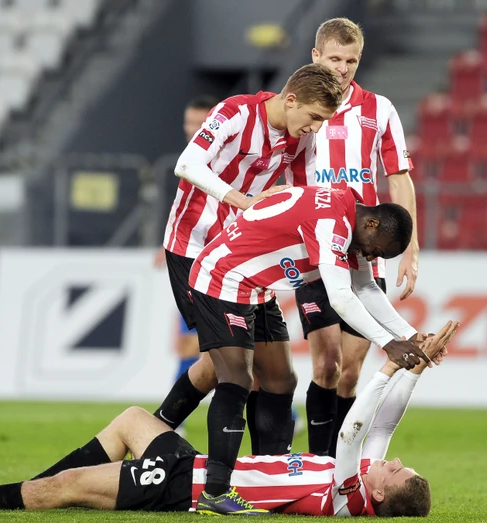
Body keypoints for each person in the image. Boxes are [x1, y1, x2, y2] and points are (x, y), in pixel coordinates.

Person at [0, 321, 458, 516]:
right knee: (134, 419)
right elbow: (384, 426)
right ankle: (27, 488)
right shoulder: (365, 479)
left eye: (396, 471)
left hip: (183, 488)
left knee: (65, 488)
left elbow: (357, 429)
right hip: (198, 465)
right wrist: (418, 368)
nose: (395, 461)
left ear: (378, 495)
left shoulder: (349, 495)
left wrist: (389, 366)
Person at [186, 185, 433, 514]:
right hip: (223, 276)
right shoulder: (333, 223)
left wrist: (410, 336)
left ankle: (268, 470)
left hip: (256, 288)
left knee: (281, 381)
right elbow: (341, 298)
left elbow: (365, 288)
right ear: (372, 224)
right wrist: (389, 344)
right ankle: (215, 491)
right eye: (377, 250)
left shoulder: (350, 222)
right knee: (236, 379)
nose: (372, 256)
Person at [153, 63, 344, 481]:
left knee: (277, 376)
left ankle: (268, 478)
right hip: (195, 251)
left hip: (245, 262)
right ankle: (170, 453)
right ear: (290, 100)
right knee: (231, 370)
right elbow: (187, 164)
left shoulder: (303, 138)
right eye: (313, 117)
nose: (315, 128)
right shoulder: (236, 112)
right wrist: (245, 201)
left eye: (322, 122)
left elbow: (306, 195)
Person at [289, 17, 422, 457]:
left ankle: (336, 465)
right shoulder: (299, 106)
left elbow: (399, 178)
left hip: (365, 253)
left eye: (351, 61)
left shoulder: (379, 109)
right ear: (316, 56)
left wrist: (411, 247)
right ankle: (319, 463)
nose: (343, 69)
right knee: (326, 365)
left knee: (350, 372)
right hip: (312, 251)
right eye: (334, 59)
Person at [154, 95, 220, 405]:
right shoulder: (188, 161)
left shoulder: (225, 161)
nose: (192, 129)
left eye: (199, 123)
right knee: (193, 341)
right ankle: (174, 414)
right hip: (191, 257)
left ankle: (285, 414)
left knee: (222, 344)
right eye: (188, 123)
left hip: (220, 260)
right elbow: (185, 210)